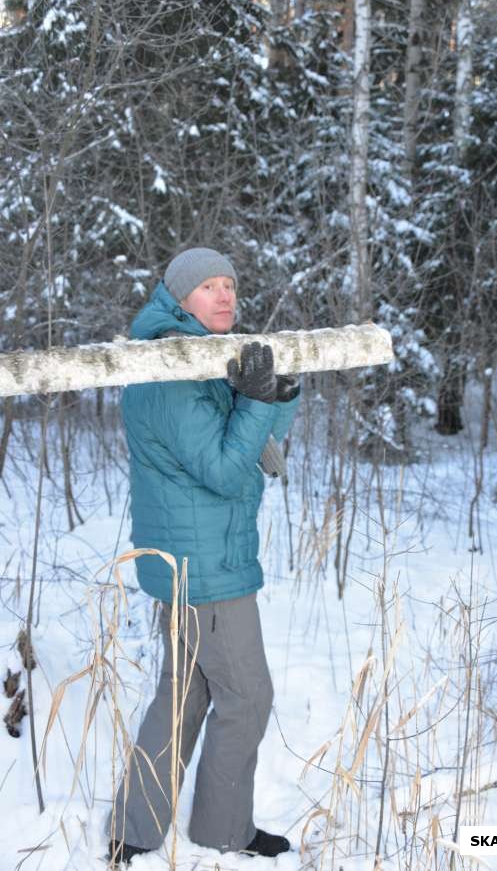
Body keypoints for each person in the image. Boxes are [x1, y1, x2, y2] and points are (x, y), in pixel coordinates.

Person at [107, 248, 300, 867]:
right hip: (206, 568)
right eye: (209, 287)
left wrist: (279, 394)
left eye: (230, 286)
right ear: (178, 297)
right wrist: (258, 400)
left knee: (184, 693)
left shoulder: (196, 357)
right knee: (247, 696)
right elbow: (223, 470)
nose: (225, 297)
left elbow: (257, 442)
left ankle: (135, 828)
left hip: (196, 558)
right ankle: (223, 830)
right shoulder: (167, 368)